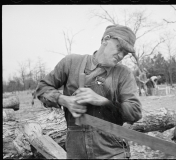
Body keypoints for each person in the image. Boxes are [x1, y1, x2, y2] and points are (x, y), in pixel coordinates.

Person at [35, 24, 142, 159]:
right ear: (105, 40)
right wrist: (64, 100)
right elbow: (42, 88)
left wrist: (103, 101)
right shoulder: (71, 63)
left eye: (125, 53)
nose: (121, 55)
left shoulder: (124, 74)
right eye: (119, 48)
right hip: (76, 151)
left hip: (112, 153)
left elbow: (135, 111)